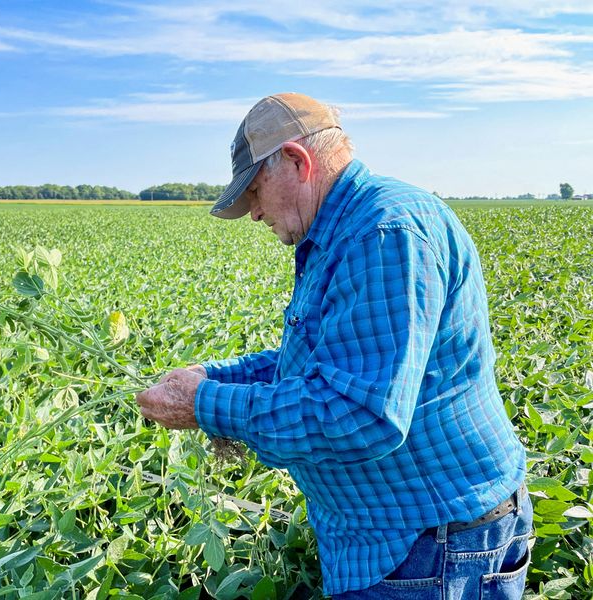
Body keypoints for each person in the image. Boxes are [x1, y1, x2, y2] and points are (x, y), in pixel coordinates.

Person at [136, 92, 531, 598]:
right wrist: (215, 377)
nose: (254, 213)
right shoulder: (347, 228)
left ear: (298, 163)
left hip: (428, 548)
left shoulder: (383, 234)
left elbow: (360, 415)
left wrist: (204, 404)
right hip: (410, 538)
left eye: (254, 192)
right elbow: (328, 360)